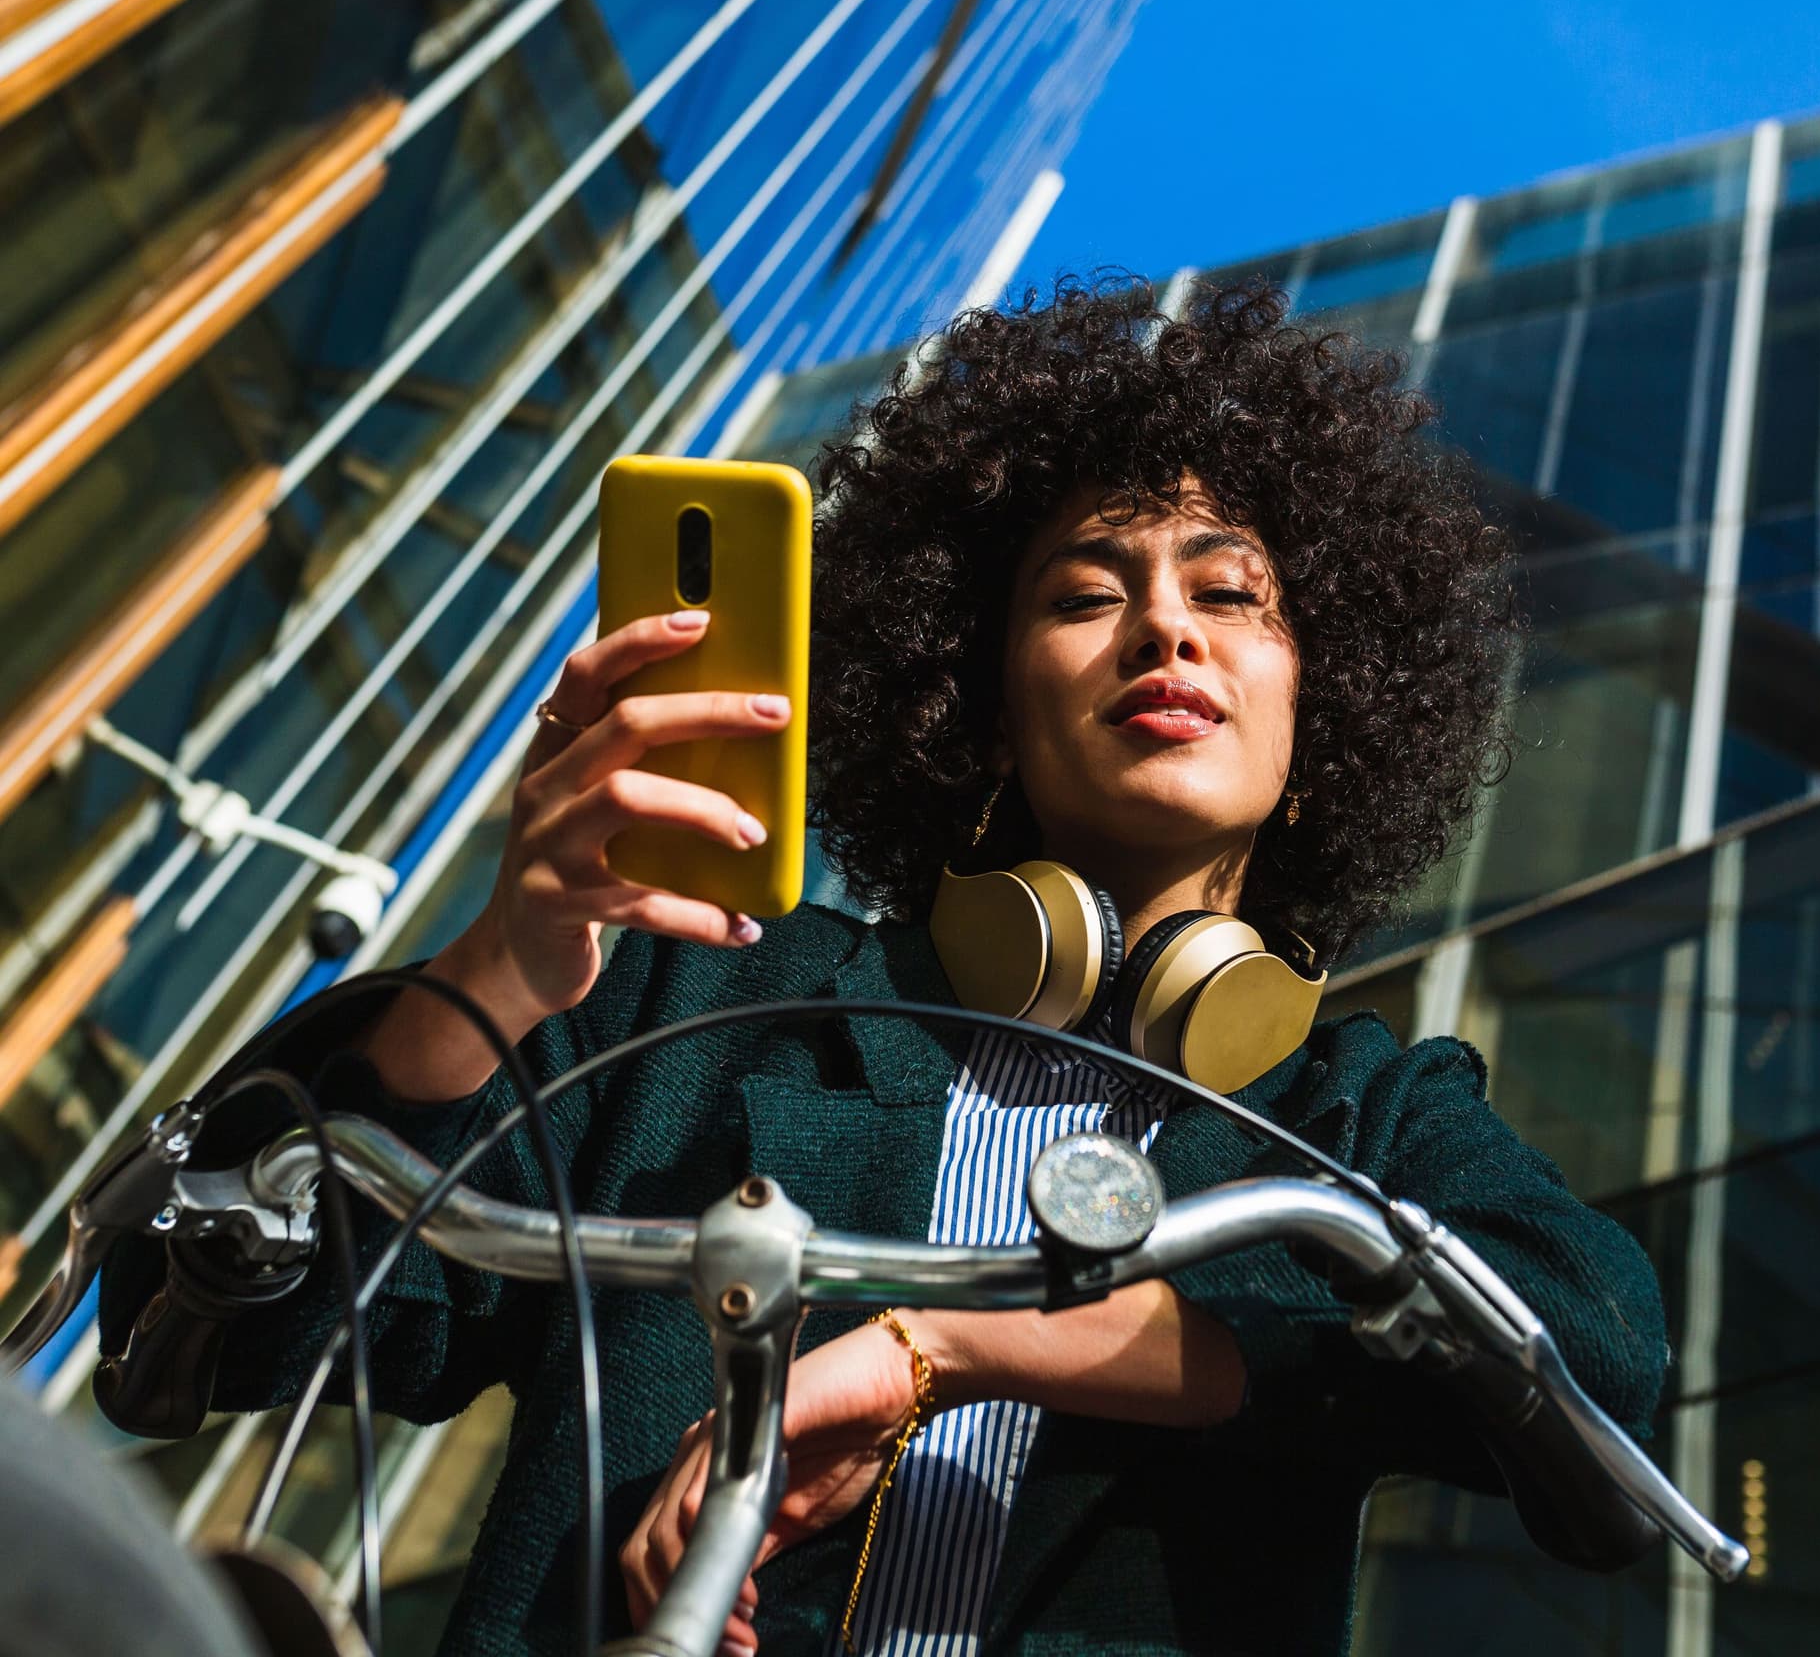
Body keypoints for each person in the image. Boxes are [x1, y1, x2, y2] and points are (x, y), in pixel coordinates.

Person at [100, 278, 1669, 1657]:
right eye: (1084, 592)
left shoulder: (1359, 1114)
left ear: (1321, 726)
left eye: (1231, 593)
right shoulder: (704, 998)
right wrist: (504, 968)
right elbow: (237, 1319)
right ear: (980, 710)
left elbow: (1596, 1360)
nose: (1164, 632)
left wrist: (955, 1349)